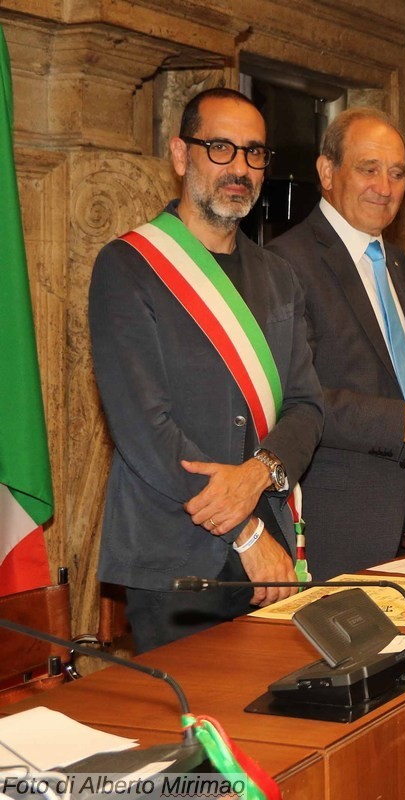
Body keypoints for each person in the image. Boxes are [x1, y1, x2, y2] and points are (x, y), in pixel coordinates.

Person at [89, 87, 324, 652]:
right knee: (194, 737)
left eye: (254, 153)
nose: (239, 167)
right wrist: (245, 532)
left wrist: (258, 473)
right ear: (179, 155)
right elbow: (145, 430)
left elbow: (307, 407)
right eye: (220, 148)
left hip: (270, 555)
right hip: (175, 561)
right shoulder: (129, 267)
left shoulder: (278, 276)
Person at [268, 107, 405, 579]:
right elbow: (297, 398)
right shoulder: (285, 263)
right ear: (326, 171)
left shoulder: (396, 263)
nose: (385, 187)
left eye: (397, 172)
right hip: (341, 517)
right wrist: (403, 421)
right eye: (368, 168)